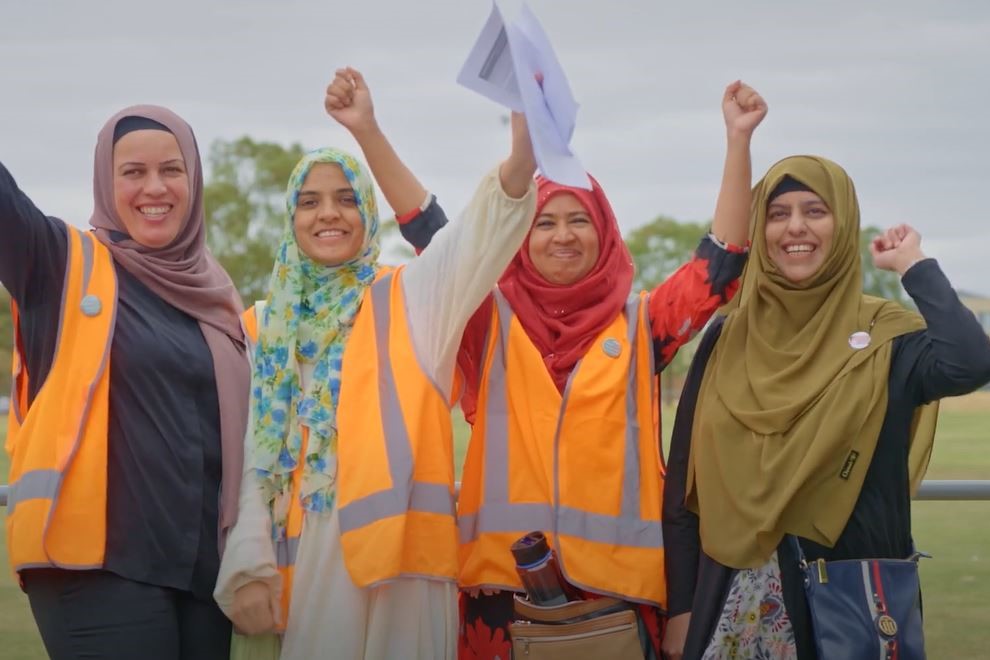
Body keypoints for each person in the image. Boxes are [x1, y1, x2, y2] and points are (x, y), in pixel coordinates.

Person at [213, 68, 539, 659]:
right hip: (299, 566)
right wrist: (248, 558)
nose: (328, 214)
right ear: (292, 219)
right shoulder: (262, 326)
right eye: (309, 202)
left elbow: (479, 234)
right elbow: (249, 464)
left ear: (368, 213)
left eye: (346, 199)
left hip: (403, 569)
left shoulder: (413, 299)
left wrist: (523, 145)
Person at [454, 81, 767, 660]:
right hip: (500, 594)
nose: (564, 235)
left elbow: (720, 263)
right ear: (521, 238)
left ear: (605, 233)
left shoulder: (643, 323)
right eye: (545, 222)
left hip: (615, 597)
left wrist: (737, 140)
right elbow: (436, 248)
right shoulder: (485, 319)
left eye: (580, 220)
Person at [661, 155, 990, 659]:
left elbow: (969, 363)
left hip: (853, 602)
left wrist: (913, 265)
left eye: (815, 211)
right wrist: (681, 610)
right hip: (734, 610)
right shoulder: (728, 335)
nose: (795, 226)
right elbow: (686, 485)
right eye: (777, 213)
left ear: (843, 224)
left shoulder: (886, 338)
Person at [2, 107, 249, 659]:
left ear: (194, 181)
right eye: (133, 172)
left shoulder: (221, 303)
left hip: (204, 578)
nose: (154, 187)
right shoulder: (59, 264)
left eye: (171, 170)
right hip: (93, 569)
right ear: (105, 183)